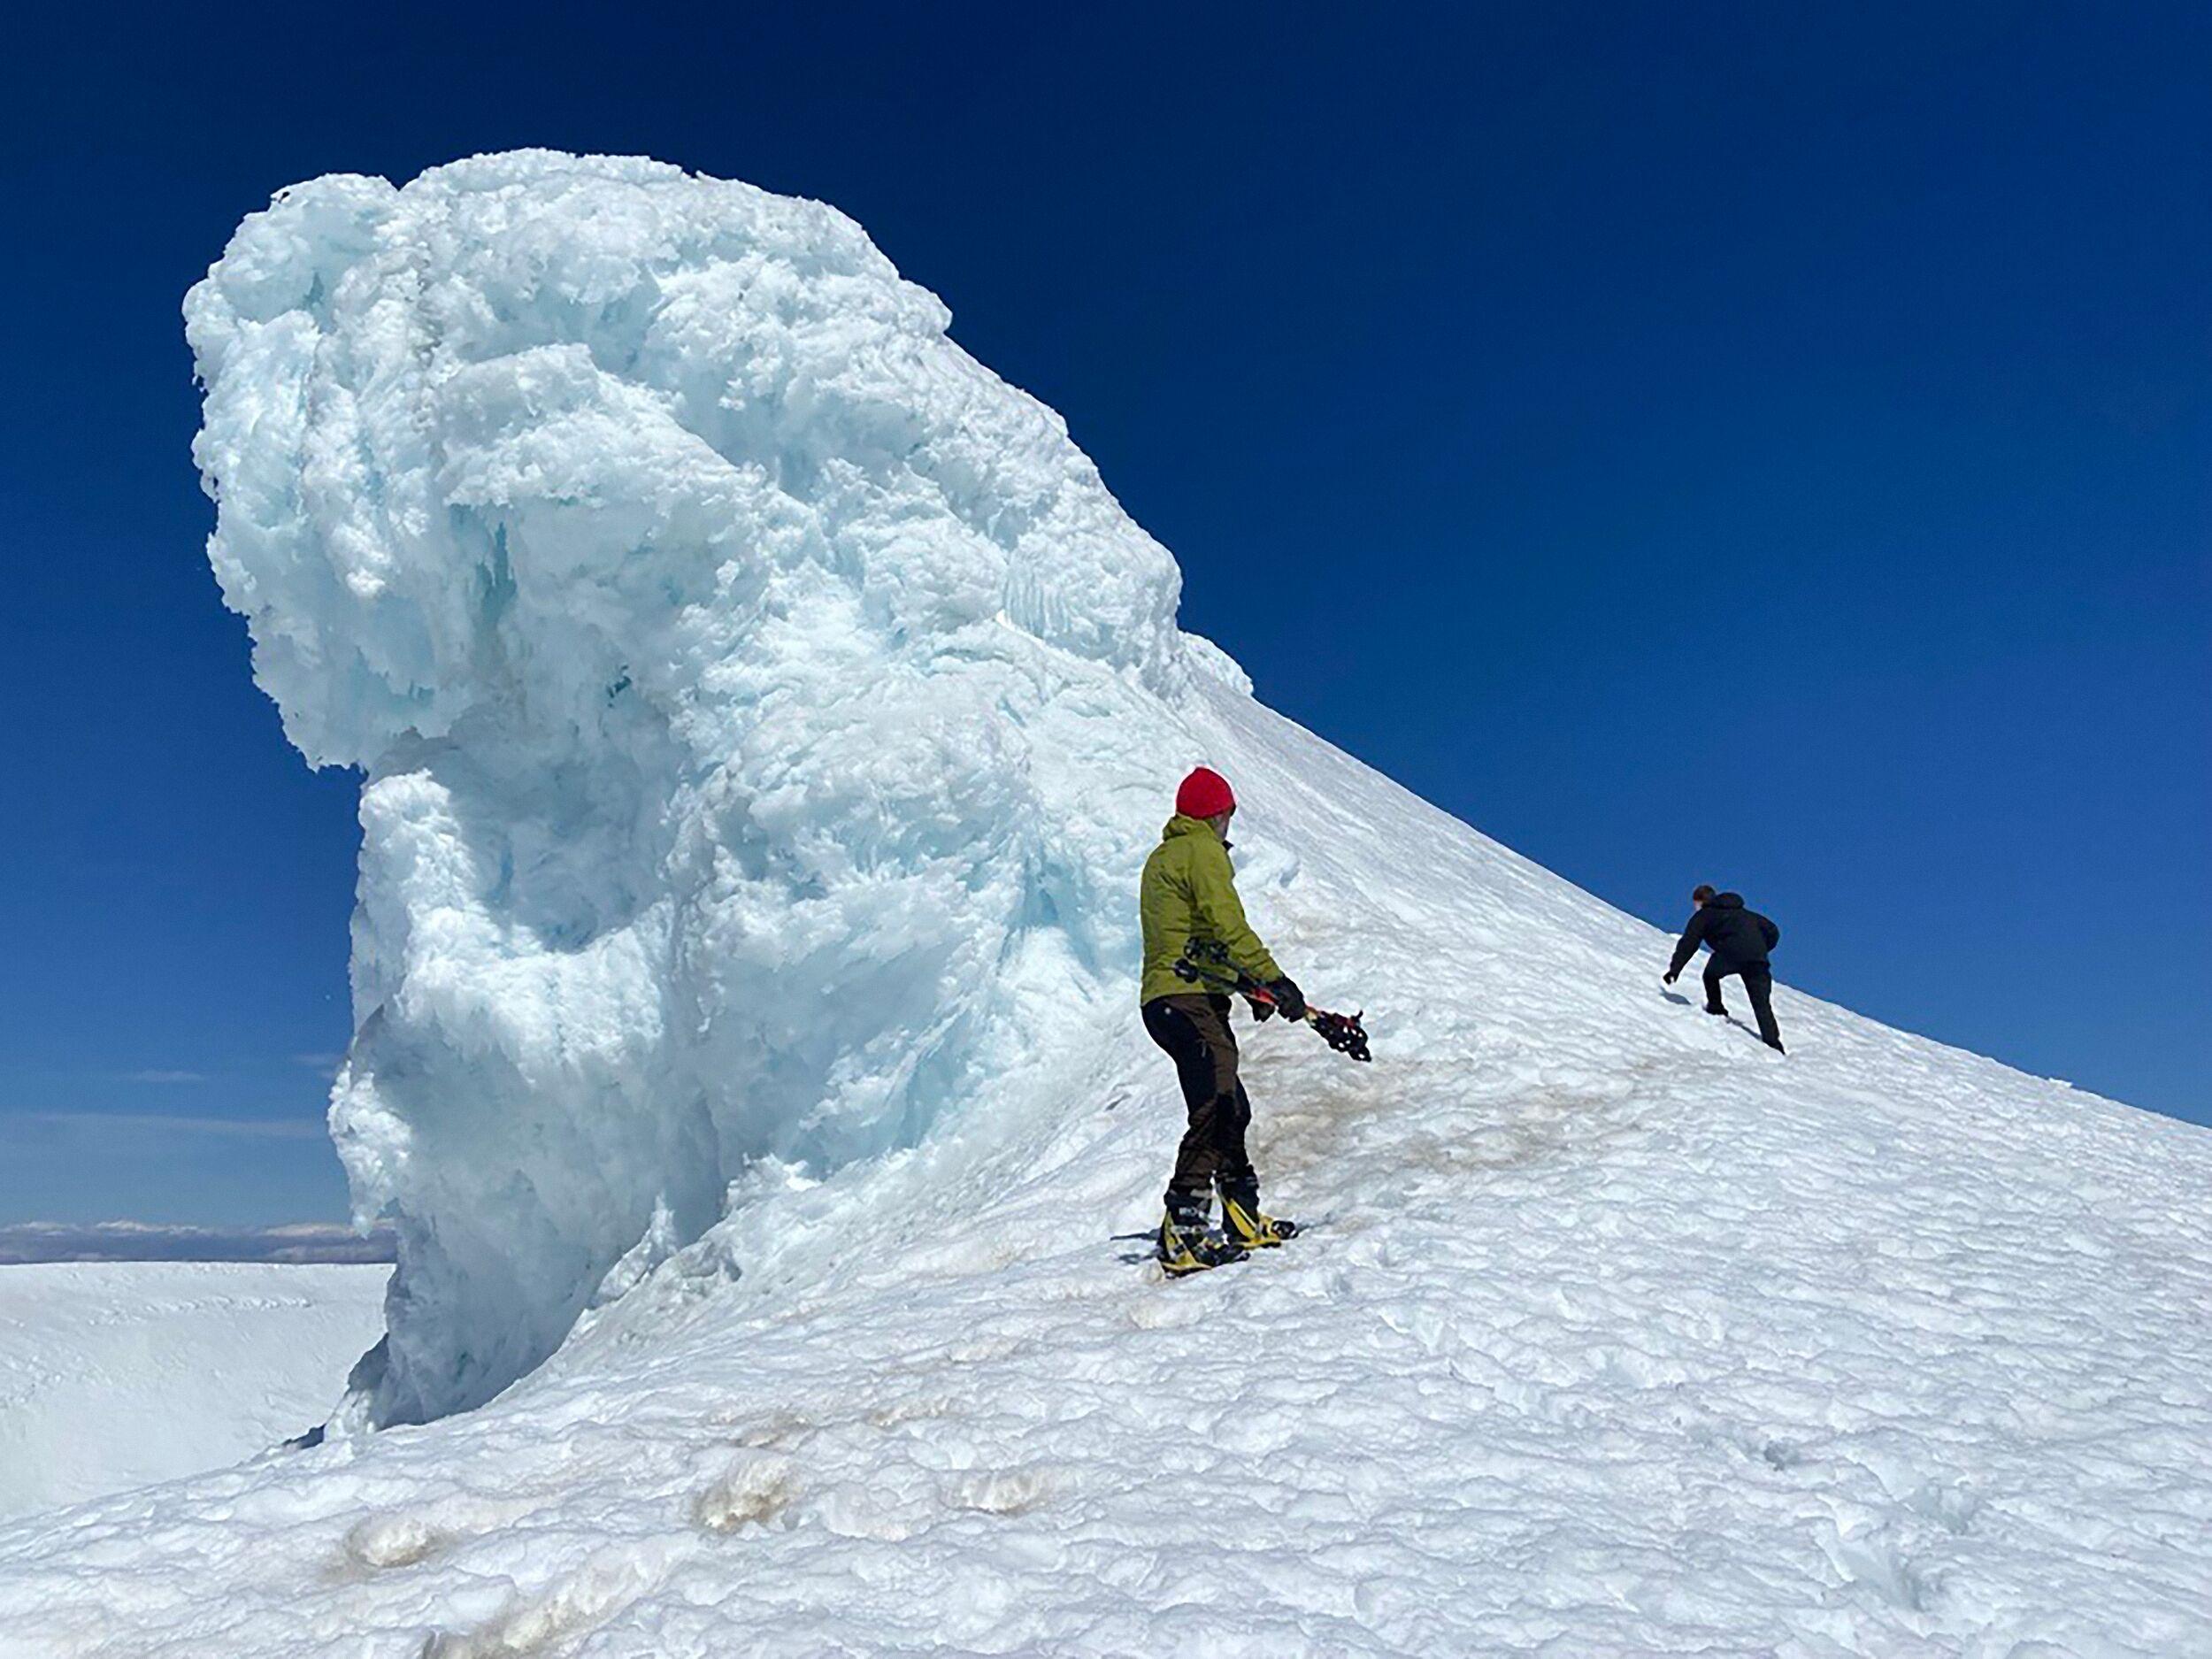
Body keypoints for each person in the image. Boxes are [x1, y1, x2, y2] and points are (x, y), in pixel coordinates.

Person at [1139, 766, 1305, 1272]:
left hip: (1177, 998)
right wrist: (1272, 977)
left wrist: (1244, 983)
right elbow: (1226, 922)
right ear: (1218, 813)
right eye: (1228, 815)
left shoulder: (1167, 856)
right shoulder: (1202, 851)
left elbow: (1195, 938)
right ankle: (1184, 1229)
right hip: (1186, 998)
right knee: (1215, 1102)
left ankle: (1241, 1215)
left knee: (1231, 1104)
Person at [1666, 884, 1785, 1052]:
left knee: (1710, 975)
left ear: (1699, 902)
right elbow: (1772, 930)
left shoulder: (1704, 916)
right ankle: (1773, 1043)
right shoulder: (1747, 914)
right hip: (1757, 958)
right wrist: (1761, 948)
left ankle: (1716, 1009)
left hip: (1730, 954)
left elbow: (1689, 943)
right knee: (1761, 1002)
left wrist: (1675, 969)